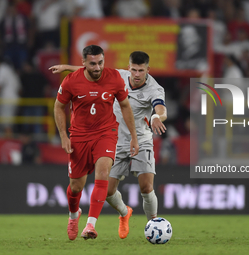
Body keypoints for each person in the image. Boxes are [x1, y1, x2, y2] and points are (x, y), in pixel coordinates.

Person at [50, 51, 167, 239]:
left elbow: (161, 109)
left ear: (148, 70)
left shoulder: (155, 89)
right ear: (128, 68)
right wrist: (66, 68)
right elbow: (91, 69)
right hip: (116, 140)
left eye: (141, 70)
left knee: (146, 187)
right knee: (108, 190)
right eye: (134, 70)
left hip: (141, 139)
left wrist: (156, 116)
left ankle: (154, 225)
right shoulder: (118, 76)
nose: (136, 74)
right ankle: (124, 212)